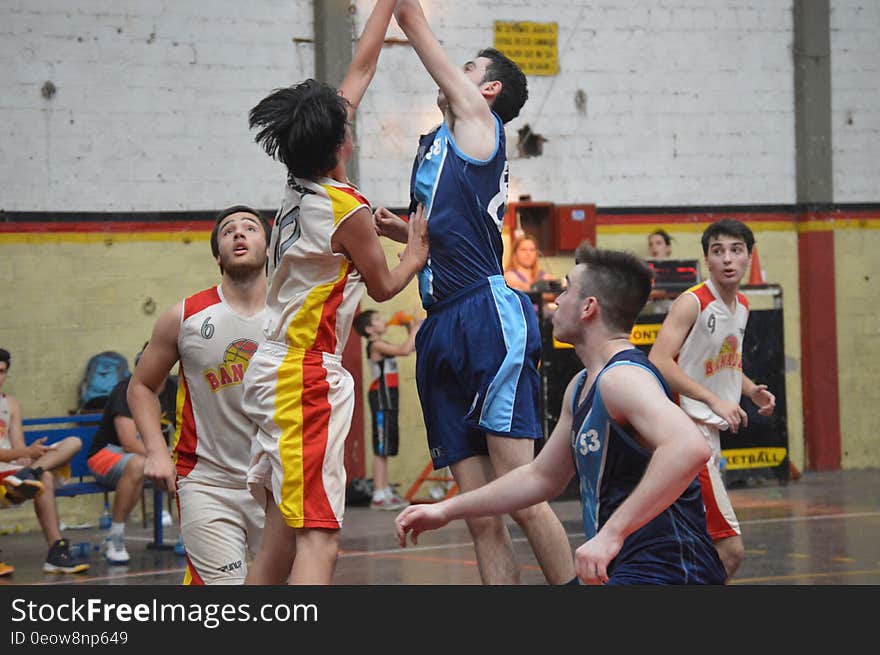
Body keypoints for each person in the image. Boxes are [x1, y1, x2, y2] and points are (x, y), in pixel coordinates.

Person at [373, 0, 575, 585]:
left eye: (467, 68)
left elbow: (413, 27)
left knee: (521, 494)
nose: (453, 73)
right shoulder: (434, 145)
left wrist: (399, 9)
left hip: (486, 315)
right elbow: (443, 232)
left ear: (486, 90)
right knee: (480, 517)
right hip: (439, 322)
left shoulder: (481, 124)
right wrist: (398, 231)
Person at [395, 244, 727, 585]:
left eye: (566, 289)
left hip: (669, 569)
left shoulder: (622, 378)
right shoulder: (583, 385)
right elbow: (540, 477)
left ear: (588, 308)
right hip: (629, 567)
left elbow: (690, 447)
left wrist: (612, 533)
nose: (556, 300)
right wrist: (445, 510)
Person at [241, 0, 428, 585]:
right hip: (305, 376)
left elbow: (362, 67)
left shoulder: (301, 180)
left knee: (276, 546)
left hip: (276, 369)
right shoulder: (345, 210)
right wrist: (417, 249)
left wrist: (387, 5)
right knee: (321, 543)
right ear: (342, 142)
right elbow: (384, 285)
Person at [128, 205, 270, 585]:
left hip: (277, 484)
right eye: (228, 231)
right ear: (217, 256)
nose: (239, 234)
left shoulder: (291, 314)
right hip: (207, 484)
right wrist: (157, 451)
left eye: (250, 228)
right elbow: (141, 387)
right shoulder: (185, 316)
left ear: (269, 249)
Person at [649, 218, 776, 581]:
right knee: (730, 551)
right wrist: (714, 400)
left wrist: (749, 389)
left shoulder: (743, 306)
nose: (728, 259)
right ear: (706, 259)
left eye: (736, 250)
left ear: (749, 257)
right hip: (686, 432)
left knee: (693, 544)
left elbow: (721, 361)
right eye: (718, 251)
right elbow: (659, 360)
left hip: (709, 431)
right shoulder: (693, 302)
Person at [0, 348, 90, 575]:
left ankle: (55, 554)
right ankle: (26, 477)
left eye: (1, 371)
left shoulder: (11, 404)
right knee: (44, 478)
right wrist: (26, 453)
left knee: (72, 443)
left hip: (13, 472)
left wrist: (30, 454)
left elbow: (17, 445)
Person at [86, 346, 177, 564]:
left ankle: (189, 537)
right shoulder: (125, 389)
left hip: (150, 456)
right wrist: (165, 456)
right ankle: (115, 537)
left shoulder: (172, 389)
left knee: (190, 465)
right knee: (137, 464)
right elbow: (128, 442)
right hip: (107, 454)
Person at [352, 309, 422, 510]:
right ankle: (379, 494)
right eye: (377, 319)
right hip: (381, 399)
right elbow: (405, 350)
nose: (383, 321)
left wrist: (409, 327)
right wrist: (415, 325)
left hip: (389, 398)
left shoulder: (383, 344)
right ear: (369, 329)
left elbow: (412, 346)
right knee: (380, 448)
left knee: (386, 446)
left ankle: (385, 491)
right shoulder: (376, 345)